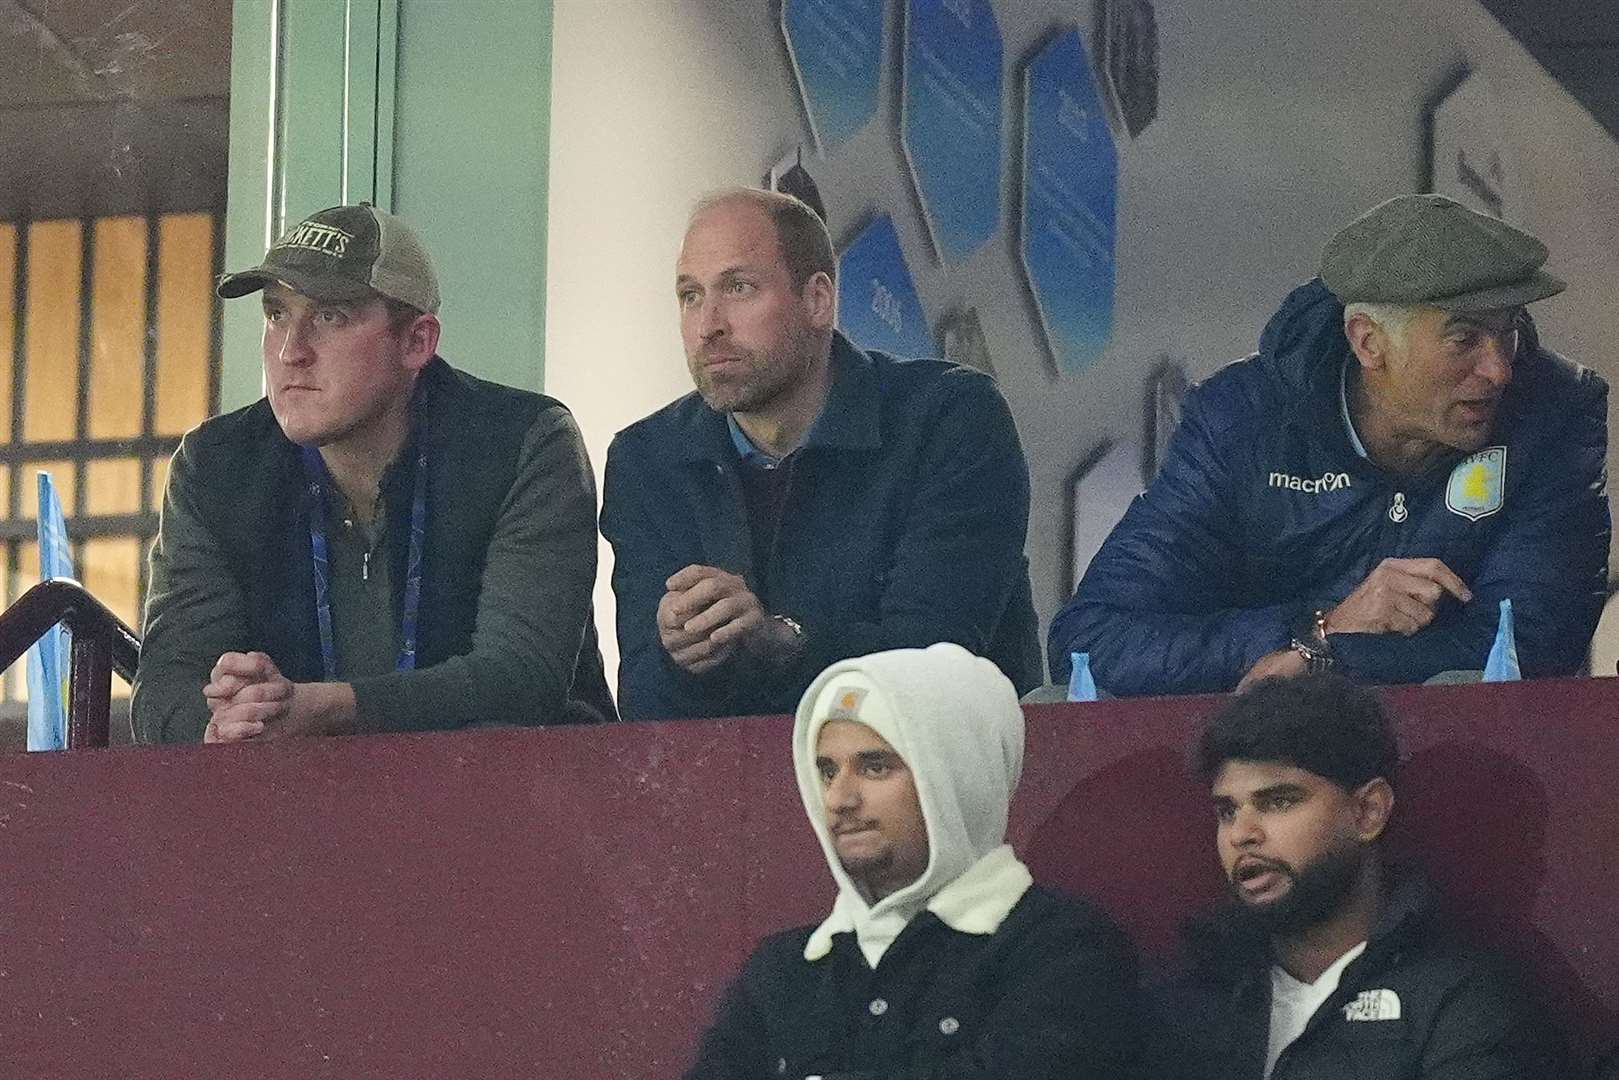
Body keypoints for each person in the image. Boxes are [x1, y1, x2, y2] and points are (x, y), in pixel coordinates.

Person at [1050, 194, 1609, 696]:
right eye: (1464, 339)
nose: (1499, 369)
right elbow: (1092, 645)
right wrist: (1321, 627)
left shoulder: (1553, 412)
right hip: (1255, 778)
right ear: (1369, 342)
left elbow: (1527, 649)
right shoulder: (1242, 423)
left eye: (1508, 331)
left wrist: (1322, 659)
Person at [132, 203, 614, 743]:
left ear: (417, 342)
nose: (291, 351)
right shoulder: (217, 465)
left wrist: (326, 710)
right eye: (276, 315)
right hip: (302, 810)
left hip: (523, 798)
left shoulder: (522, 441)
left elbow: (521, 680)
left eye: (330, 316)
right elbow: (164, 689)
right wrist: (224, 724)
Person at [602, 187, 1040, 720]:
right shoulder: (648, 460)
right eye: (690, 295)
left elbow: (935, 658)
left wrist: (781, 642)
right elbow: (643, 712)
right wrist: (685, 660)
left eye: (738, 288)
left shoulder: (949, 420)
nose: (708, 325)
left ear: (818, 301)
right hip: (725, 792)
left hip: (931, 789)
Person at [684, 643, 1141, 1079]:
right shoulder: (783, 969)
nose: (839, 798)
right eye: (826, 770)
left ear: (957, 776)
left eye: (875, 766)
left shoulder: (1062, 950)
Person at [1147, 673, 1566, 1078]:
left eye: (1278, 801)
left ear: (1368, 812)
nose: (1242, 834)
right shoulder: (1188, 996)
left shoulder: (1464, 999)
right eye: (1227, 811)